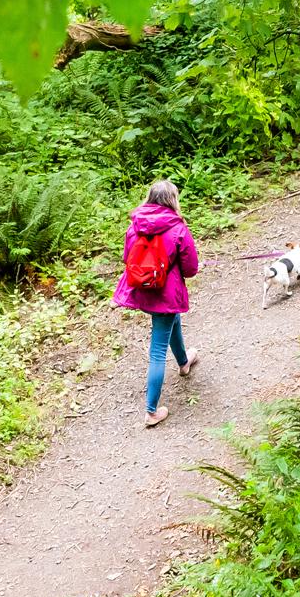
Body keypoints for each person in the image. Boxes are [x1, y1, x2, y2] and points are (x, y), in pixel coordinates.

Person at [114, 178, 199, 429]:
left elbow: (126, 258)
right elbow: (191, 268)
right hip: (166, 292)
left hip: (143, 290)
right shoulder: (178, 228)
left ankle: (184, 362)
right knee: (158, 350)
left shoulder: (135, 225)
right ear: (173, 200)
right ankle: (151, 411)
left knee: (171, 320)